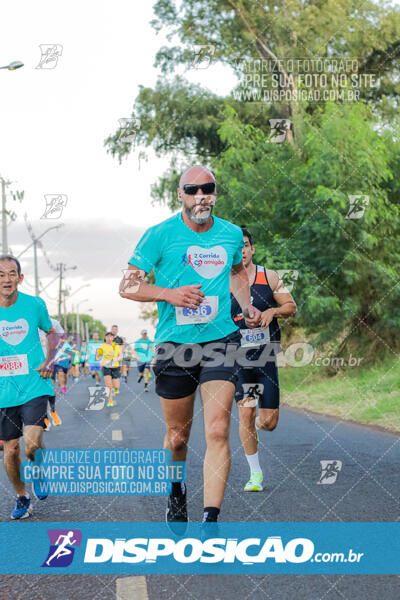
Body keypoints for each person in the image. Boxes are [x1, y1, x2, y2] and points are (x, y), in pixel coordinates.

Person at [119, 164, 261, 526]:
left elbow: (235, 274)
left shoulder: (230, 234)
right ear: (180, 194)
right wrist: (170, 294)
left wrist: (247, 306)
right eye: (193, 189)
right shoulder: (159, 235)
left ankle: (210, 521)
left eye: (208, 188)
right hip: (175, 345)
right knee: (178, 436)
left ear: (215, 192)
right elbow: (128, 286)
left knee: (216, 429)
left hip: (221, 339)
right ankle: (176, 489)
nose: (201, 196)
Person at [231, 227, 297, 492]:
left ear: (252, 248)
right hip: (238, 359)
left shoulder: (269, 276)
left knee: (268, 423)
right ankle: (255, 474)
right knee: (245, 414)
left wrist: (272, 311)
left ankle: (258, 423)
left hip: (266, 357)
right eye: (237, 247)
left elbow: (291, 306)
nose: (242, 250)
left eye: (245, 245)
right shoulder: (224, 281)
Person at [0, 255, 57, 519]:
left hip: (35, 383)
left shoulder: (35, 304)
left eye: (11, 274)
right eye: (1, 274)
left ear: (20, 278)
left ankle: (40, 471)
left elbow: (53, 331)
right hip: (4, 391)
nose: (6, 279)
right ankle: (22, 496)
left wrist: (50, 358)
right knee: (10, 449)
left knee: (32, 445)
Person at [39, 317, 64, 429]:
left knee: (49, 388)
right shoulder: (28, 320)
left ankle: (52, 411)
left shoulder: (54, 322)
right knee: (38, 392)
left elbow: (62, 336)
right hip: (33, 362)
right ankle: (44, 417)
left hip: (48, 361)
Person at [96, 332, 122, 406]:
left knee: (116, 386)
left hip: (115, 367)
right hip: (106, 367)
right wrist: (100, 361)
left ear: (113, 338)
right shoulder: (102, 346)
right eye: (107, 336)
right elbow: (97, 356)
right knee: (108, 385)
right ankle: (110, 400)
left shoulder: (116, 346)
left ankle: (115, 389)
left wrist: (116, 359)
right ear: (105, 338)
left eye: (110, 336)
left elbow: (120, 356)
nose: (109, 338)